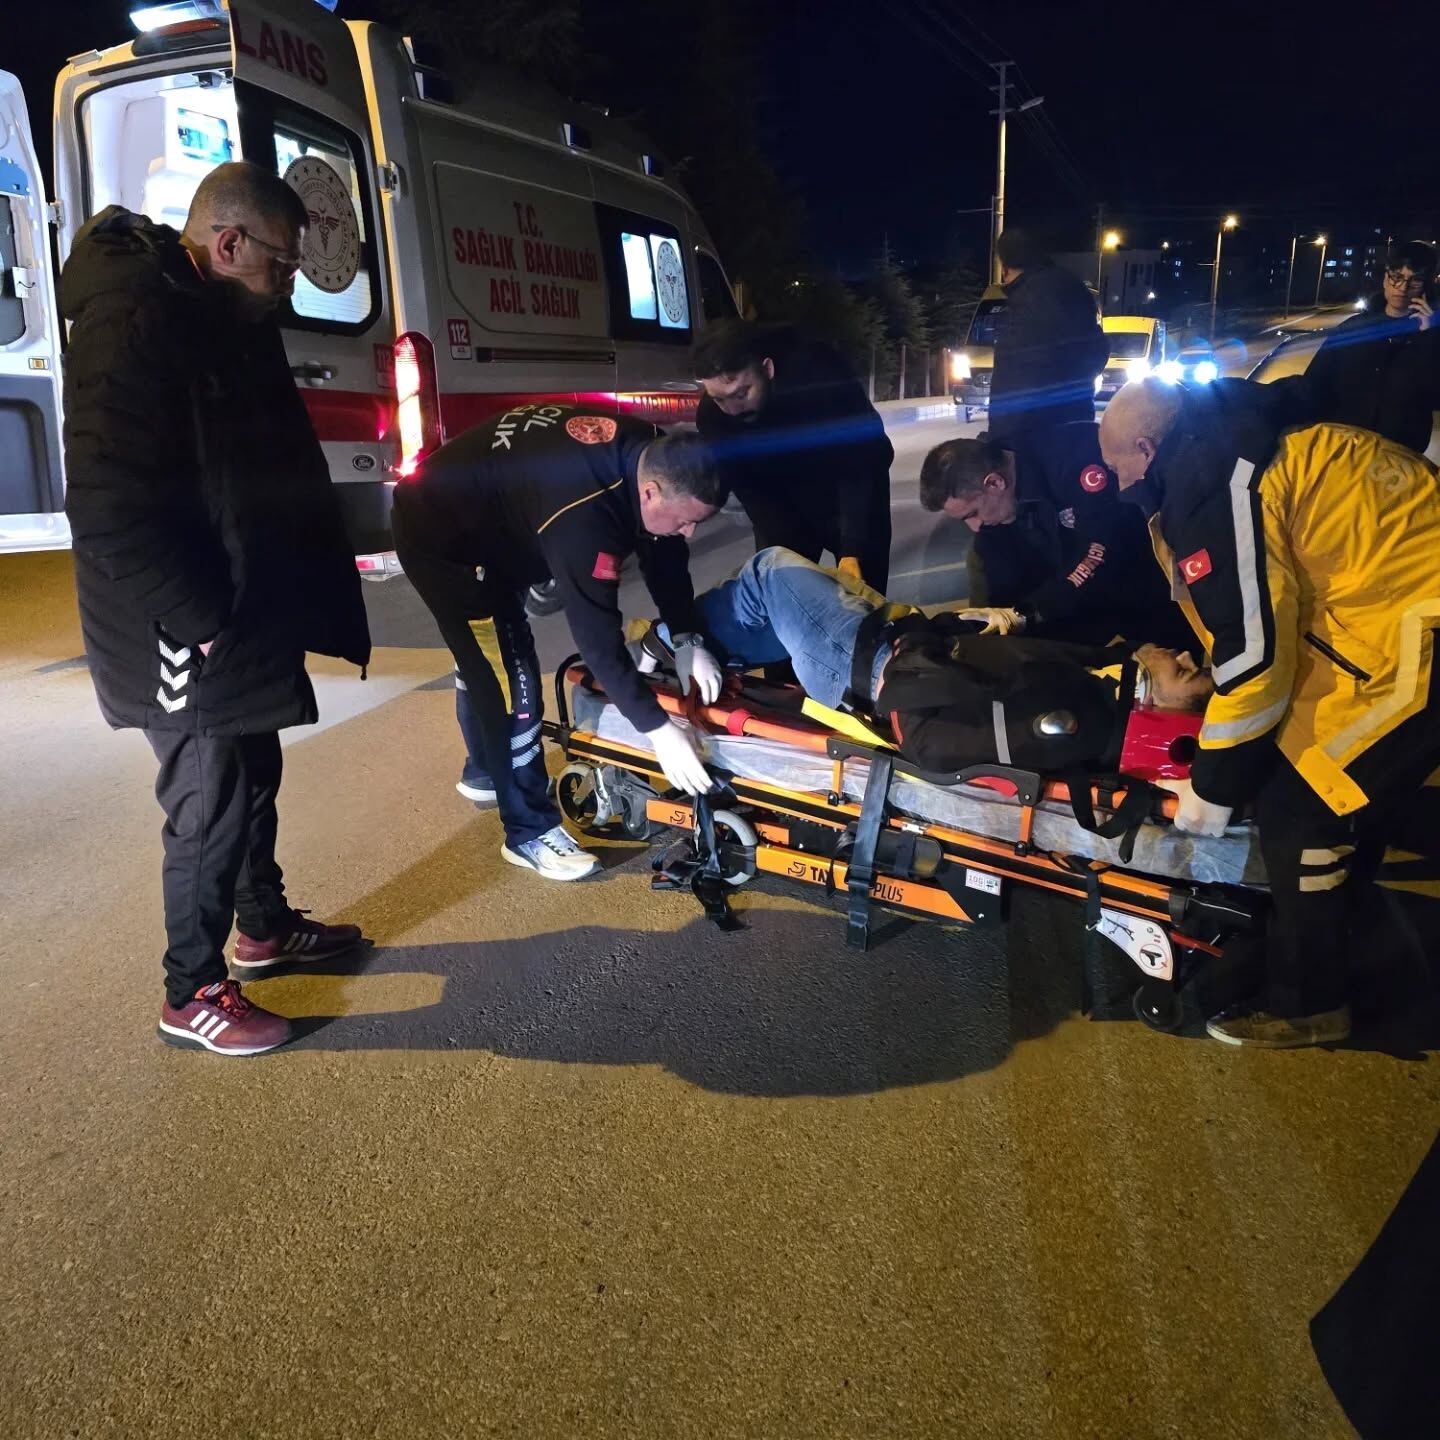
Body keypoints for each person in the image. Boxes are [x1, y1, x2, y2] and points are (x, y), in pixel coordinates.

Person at [61, 162, 372, 1058]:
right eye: (282, 263)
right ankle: (190, 991)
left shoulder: (219, 309)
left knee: (254, 766)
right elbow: (108, 508)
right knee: (209, 797)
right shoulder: (135, 321)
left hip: (235, 604)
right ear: (229, 242)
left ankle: (262, 927)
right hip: (175, 621)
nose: (289, 284)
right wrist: (198, 621)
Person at [1099, 376, 1440, 1048]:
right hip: (1385, 613)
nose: (1116, 485)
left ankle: (1309, 1004)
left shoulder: (1212, 486)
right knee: (1342, 792)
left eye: (1117, 467)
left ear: (1146, 448)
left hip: (1415, 628)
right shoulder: (1236, 442)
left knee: (1302, 807)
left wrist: (1213, 785)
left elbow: (1255, 656)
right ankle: (1340, 934)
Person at [391, 406, 727, 879]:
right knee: (513, 681)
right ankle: (528, 833)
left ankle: (487, 771)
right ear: (650, 491)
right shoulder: (584, 516)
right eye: (687, 520)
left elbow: (665, 552)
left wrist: (687, 636)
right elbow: (597, 638)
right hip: (444, 539)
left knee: (487, 663)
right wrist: (656, 728)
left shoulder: (655, 452)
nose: (690, 532)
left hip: (497, 514)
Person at [640, 547, 1214, 778]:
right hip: (883, 650)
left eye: (1185, 671)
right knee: (791, 598)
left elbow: (944, 727)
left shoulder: (1080, 709)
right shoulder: (1099, 692)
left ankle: (671, 642)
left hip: (864, 662)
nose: (1185, 654)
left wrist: (929, 652)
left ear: (1159, 703)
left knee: (770, 569)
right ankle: (698, 653)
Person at [918, 423, 1192, 648]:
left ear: (995, 482)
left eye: (973, 513)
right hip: (1076, 606)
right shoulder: (994, 518)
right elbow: (1001, 595)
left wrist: (1029, 612)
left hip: (1146, 587)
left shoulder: (1075, 457)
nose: (975, 527)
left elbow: (1103, 548)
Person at [694, 320, 895, 591]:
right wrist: (785, 558)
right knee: (783, 589)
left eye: (741, 393)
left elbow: (856, 465)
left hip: (851, 479)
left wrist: (853, 549)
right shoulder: (712, 417)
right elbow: (754, 495)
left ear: (768, 368)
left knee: (864, 591)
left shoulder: (822, 375)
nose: (732, 409)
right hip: (782, 495)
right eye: (719, 399)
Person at [1304, 241, 1440, 455]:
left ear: (1427, 286)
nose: (1402, 287)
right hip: (1343, 451)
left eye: (1415, 280)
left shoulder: (1431, 338)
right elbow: (1313, 383)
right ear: (1385, 278)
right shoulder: (1354, 329)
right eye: (1397, 277)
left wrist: (1428, 338)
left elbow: (1434, 397)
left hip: (1398, 458)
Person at [986, 228, 1110, 449]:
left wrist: (998, 446)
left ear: (1005, 267)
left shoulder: (1025, 302)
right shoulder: (1075, 288)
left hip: (1030, 440)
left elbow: (1014, 380)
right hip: (1077, 424)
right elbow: (1098, 350)